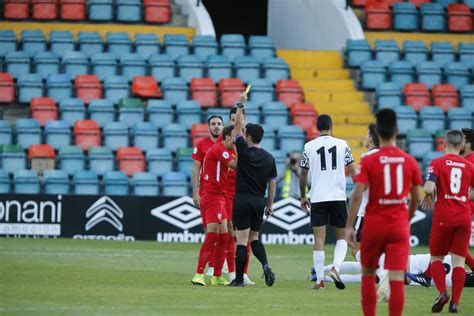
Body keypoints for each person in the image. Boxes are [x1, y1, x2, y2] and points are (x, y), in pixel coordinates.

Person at [345, 108, 422, 316]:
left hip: (374, 224)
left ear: (377, 131)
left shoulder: (369, 160)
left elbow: (357, 194)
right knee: (397, 277)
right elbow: (416, 197)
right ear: (396, 130)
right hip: (398, 225)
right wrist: (407, 218)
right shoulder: (409, 160)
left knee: (368, 274)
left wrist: (350, 225)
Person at [299, 114, 356, 290]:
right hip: (338, 197)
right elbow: (354, 172)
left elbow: (302, 176)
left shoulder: (309, 146)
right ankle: (335, 267)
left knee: (319, 238)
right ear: (331, 127)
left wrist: (303, 196)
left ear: (317, 127)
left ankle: (320, 281)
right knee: (342, 237)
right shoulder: (343, 145)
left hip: (317, 197)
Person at [421, 129, 474, 313]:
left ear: (444, 144)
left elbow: (428, 186)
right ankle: (455, 303)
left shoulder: (437, 162)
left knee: (436, 258)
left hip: (444, 217)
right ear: (461, 146)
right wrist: (463, 195)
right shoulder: (469, 166)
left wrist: (429, 192)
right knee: (459, 262)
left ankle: (443, 293)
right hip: (464, 217)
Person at [227, 92, 277, 287]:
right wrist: (269, 205)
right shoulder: (269, 158)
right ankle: (265, 264)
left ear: (247, 137)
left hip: (242, 199)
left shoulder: (244, 152)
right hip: (259, 200)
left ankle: (238, 279)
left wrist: (241, 104)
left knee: (241, 241)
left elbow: (236, 126)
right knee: (254, 238)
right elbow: (273, 183)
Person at [191, 125, 237, 286]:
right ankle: (199, 273)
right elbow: (235, 165)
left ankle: (217, 275)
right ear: (226, 138)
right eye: (234, 138)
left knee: (224, 236)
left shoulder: (222, 150)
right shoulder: (219, 149)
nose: (236, 141)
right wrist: (239, 148)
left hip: (220, 196)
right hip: (212, 196)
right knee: (212, 235)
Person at [191, 115, 223, 275]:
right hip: (207, 194)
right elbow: (196, 169)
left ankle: (218, 266)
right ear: (208, 126)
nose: (216, 126)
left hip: (224, 194)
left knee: (224, 232)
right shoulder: (202, 145)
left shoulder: (227, 144)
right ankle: (210, 266)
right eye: (213, 124)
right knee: (210, 231)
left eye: (219, 124)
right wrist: (195, 192)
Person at [225, 107, 254, 285]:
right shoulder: (225, 149)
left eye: (239, 119)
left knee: (246, 236)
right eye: (233, 119)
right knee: (230, 235)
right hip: (228, 195)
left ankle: (243, 273)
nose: (236, 121)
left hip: (243, 195)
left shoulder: (247, 149)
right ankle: (230, 271)